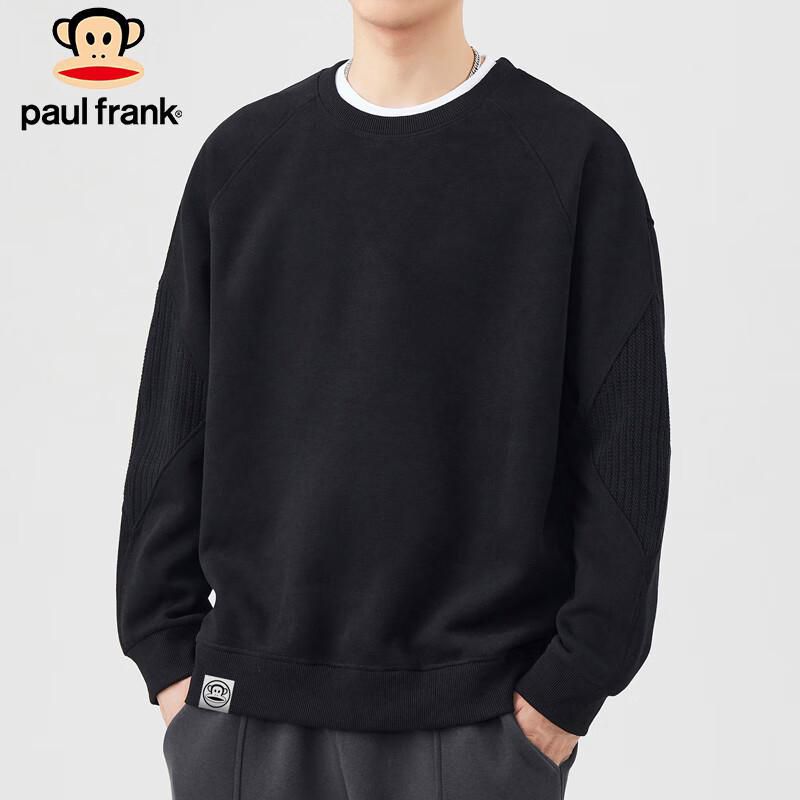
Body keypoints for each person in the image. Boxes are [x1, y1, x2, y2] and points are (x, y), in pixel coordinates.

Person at [116, 1, 670, 797]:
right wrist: (169, 660)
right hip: (246, 715)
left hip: (479, 721)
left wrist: (568, 690)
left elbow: (624, 450)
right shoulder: (243, 159)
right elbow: (172, 427)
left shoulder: (572, 158)